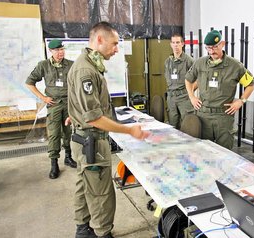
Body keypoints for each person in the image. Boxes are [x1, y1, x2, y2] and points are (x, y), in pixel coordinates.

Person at [67, 22, 150, 238]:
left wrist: (75, 113)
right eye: (114, 44)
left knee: (84, 185)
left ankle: (83, 229)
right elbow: (94, 118)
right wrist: (129, 131)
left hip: (83, 138)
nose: (116, 49)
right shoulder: (86, 70)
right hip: (91, 143)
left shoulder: (88, 65)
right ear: (99, 40)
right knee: (101, 193)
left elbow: (83, 103)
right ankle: (103, 233)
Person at [185, 30, 254, 149]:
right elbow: (188, 79)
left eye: (215, 47)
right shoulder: (200, 63)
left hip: (224, 116)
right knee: (204, 151)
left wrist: (241, 101)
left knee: (225, 152)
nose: (212, 51)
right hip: (203, 114)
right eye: (208, 48)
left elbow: (251, 84)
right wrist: (192, 97)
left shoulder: (235, 66)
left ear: (222, 44)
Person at [26, 39, 77, 179]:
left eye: (62, 50)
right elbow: (29, 83)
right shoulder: (43, 65)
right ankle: (54, 163)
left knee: (68, 131)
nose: (60, 53)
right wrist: (43, 98)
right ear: (51, 51)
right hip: (54, 104)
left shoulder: (71, 65)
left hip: (68, 103)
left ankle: (68, 157)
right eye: (57, 50)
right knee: (54, 134)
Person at [164, 33, 195, 129]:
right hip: (171, 98)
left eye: (178, 42)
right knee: (173, 125)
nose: (175, 45)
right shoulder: (167, 62)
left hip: (184, 98)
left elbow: (198, 79)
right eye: (173, 42)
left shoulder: (189, 61)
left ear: (182, 44)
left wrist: (190, 91)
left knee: (187, 125)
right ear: (170, 44)